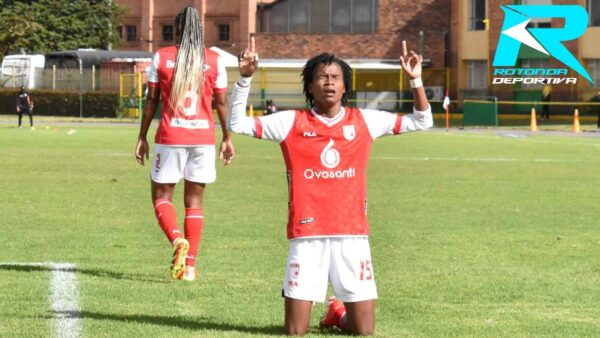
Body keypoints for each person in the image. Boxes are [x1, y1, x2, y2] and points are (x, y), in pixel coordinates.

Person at [228, 38, 432, 336]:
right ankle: (331, 311)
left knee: (364, 331)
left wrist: (415, 80)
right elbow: (237, 123)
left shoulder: (364, 121)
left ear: (345, 87)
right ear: (309, 87)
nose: (329, 82)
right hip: (307, 236)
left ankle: (337, 314)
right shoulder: (290, 123)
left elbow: (422, 121)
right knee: (295, 331)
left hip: (352, 235)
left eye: (335, 77)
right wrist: (245, 78)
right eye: (321, 77)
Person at [134, 6, 234, 282]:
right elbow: (221, 103)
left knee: (161, 197)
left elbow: (151, 101)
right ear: (200, 32)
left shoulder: (163, 57)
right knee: (194, 204)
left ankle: (177, 240)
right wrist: (227, 137)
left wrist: (141, 137)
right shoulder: (215, 60)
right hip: (203, 138)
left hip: (171, 137)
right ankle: (189, 268)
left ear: (176, 31)